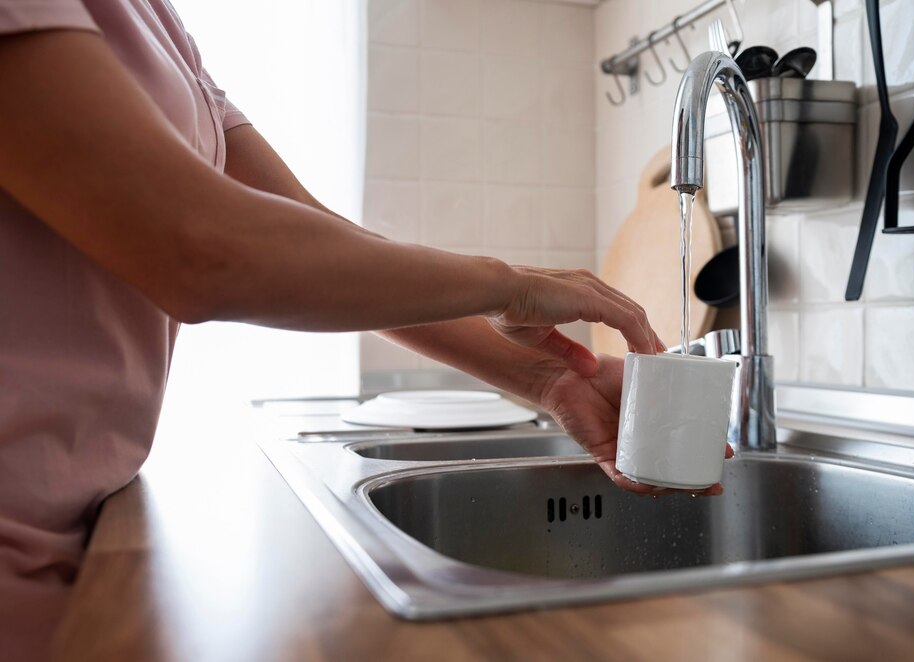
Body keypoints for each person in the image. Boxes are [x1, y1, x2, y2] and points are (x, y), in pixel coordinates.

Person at [0, 1, 730, 657]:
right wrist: (511, 285)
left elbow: (320, 243)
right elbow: (201, 247)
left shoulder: (157, 25)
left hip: (71, 532)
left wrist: (547, 376)